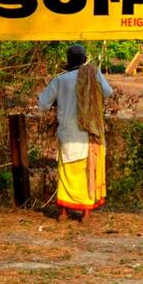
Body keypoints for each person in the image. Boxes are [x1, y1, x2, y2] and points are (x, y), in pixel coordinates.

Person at [38, 44, 113, 222]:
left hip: (68, 133)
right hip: (89, 132)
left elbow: (42, 104)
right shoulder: (94, 74)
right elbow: (108, 93)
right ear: (84, 59)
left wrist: (59, 101)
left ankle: (63, 212)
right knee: (88, 169)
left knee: (66, 172)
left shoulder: (59, 80)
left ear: (68, 60)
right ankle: (85, 212)